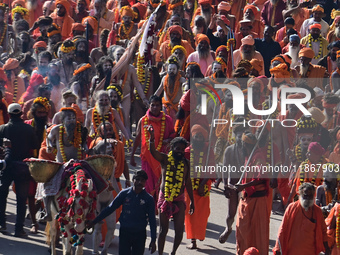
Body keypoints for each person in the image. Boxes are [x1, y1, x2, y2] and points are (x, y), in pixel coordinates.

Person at [148, 125, 194, 255]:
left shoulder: (186, 164)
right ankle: (161, 253)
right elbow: (153, 152)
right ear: (172, 148)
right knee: (163, 230)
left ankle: (173, 252)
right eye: (177, 149)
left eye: (182, 149)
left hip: (179, 199)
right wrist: (152, 138)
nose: (180, 151)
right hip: (165, 197)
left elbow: (188, 183)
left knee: (179, 231)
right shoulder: (165, 159)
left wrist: (193, 202)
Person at [87, 170, 157, 255]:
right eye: (137, 179)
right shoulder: (124, 194)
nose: (139, 182)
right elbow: (110, 208)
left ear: (145, 182)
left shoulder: (148, 199)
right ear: (133, 180)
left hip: (140, 234)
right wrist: (94, 221)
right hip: (125, 232)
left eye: (142, 180)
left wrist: (153, 240)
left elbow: (152, 220)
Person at [0, 103, 39, 237]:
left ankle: (2, 224)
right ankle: (19, 229)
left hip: (6, 166)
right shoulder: (28, 129)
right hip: (23, 167)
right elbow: (35, 145)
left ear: (9, 115)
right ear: (21, 114)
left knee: (2, 195)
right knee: (22, 199)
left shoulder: (3, 129)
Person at [130, 95, 175, 196]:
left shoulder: (167, 120)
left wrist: (168, 140)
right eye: (152, 105)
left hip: (161, 158)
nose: (155, 107)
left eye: (157, 105)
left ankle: (158, 208)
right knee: (148, 185)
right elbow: (137, 138)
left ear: (161, 106)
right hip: (147, 158)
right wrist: (132, 155)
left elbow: (173, 135)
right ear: (149, 106)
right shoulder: (143, 120)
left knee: (161, 184)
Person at [235, 131, 270, 255]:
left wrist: (244, 186)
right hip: (246, 199)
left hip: (257, 201)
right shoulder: (248, 157)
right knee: (242, 229)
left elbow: (261, 178)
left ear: (246, 145)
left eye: (243, 144)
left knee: (257, 233)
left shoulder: (258, 157)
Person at [273, 182, 330, 255]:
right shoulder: (292, 208)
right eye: (305, 195)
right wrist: (278, 248)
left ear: (313, 196)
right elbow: (283, 229)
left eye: (310, 196)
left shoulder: (317, 211)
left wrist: (327, 248)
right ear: (300, 194)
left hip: (310, 252)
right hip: (292, 251)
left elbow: (323, 231)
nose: (307, 198)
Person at [184, 124, 214, 249]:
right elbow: (184, 170)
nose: (199, 139)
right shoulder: (187, 151)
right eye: (197, 136)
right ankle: (193, 239)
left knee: (203, 213)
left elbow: (212, 168)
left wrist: (202, 184)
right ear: (193, 137)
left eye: (201, 137)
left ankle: (200, 233)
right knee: (190, 214)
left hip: (204, 186)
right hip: (189, 186)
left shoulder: (209, 150)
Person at [155, 56, 186, 124]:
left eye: (174, 69)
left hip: (177, 108)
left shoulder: (181, 80)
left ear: (177, 70)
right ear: (167, 69)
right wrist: (153, 99)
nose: (171, 71)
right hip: (166, 108)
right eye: (170, 69)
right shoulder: (164, 79)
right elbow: (159, 91)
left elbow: (186, 91)